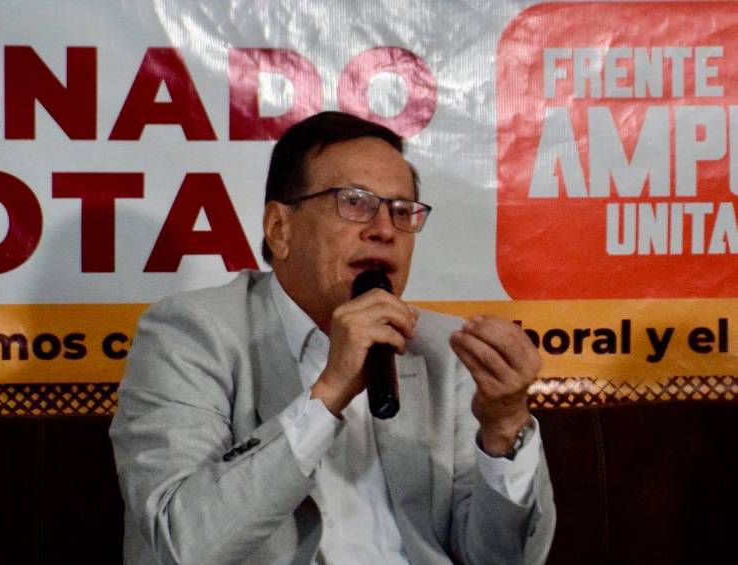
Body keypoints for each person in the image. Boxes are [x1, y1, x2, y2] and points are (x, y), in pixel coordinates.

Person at [110, 111, 556, 565]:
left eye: (402, 211)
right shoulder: (189, 334)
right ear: (279, 229)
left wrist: (504, 428)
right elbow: (183, 544)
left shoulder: (442, 349)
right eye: (354, 202)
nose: (384, 230)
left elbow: (503, 558)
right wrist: (328, 394)